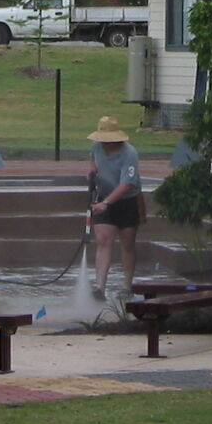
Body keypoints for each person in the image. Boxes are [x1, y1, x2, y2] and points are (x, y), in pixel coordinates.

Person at [86, 115, 143, 300]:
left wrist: (106, 203)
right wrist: (93, 169)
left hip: (127, 201)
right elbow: (92, 159)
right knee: (103, 240)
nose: (104, 143)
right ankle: (99, 287)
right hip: (103, 197)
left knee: (128, 243)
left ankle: (126, 286)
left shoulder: (129, 154)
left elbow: (126, 184)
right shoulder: (96, 147)